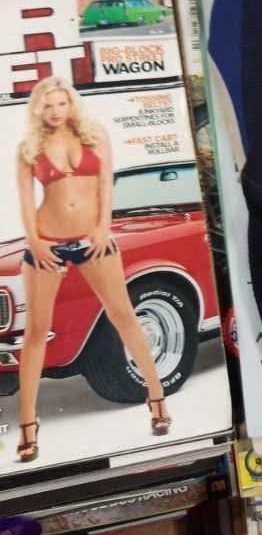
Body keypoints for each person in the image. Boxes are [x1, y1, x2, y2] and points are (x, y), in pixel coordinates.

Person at [15, 75, 171, 463]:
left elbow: (105, 186)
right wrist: (35, 242)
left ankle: (157, 398)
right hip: (48, 244)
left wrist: (103, 228)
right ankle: (28, 425)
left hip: (93, 240)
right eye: (48, 105)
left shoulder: (95, 135)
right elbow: (25, 201)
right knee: (36, 333)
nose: (55, 111)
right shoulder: (28, 148)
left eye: (61, 103)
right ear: (39, 109)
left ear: (71, 104)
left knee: (125, 317)